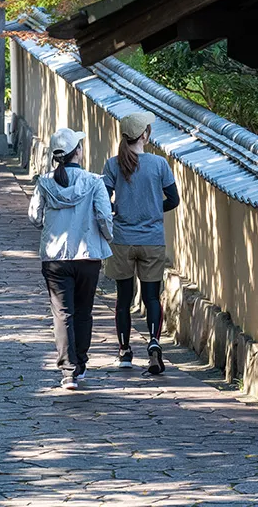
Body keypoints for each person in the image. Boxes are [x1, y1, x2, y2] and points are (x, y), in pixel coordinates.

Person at [29, 128, 114, 390]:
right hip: (88, 256)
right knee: (84, 311)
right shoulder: (94, 182)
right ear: (77, 151)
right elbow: (104, 216)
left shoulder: (45, 182)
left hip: (55, 258)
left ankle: (67, 370)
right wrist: (107, 237)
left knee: (62, 313)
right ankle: (81, 363)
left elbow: (34, 217)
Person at [103, 112, 180, 375]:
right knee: (151, 297)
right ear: (145, 135)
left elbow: (104, 199)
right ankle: (155, 344)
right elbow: (174, 199)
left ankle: (125, 351)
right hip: (152, 241)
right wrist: (154, 208)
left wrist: (118, 209)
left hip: (122, 240)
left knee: (123, 299)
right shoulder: (159, 165)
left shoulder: (113, 165)